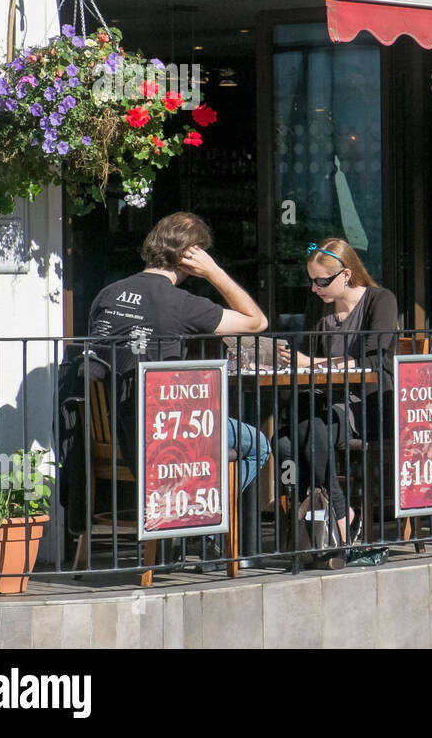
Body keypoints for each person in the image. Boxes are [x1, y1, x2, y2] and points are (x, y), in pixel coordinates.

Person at [87, 211, 271, 490]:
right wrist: (215, 272)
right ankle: (206, 524)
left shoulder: (107, 294)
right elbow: (257, 322)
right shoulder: (180, 303)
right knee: (257, 445)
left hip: (117, 430)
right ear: (192, 256)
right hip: (168, 434)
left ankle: (195, 521)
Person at [277, 238, 398, 543]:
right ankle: (332, 515)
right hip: (326, 400)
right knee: (282, 442)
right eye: (312, 281)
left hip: (368, 401)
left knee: (310, 431)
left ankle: (332, 518)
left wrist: (312, 362)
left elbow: (373, 358)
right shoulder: (320, 306)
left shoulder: (380, 300)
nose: (315, 288)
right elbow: (306, 356)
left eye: (321, 281)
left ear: (346, 274)